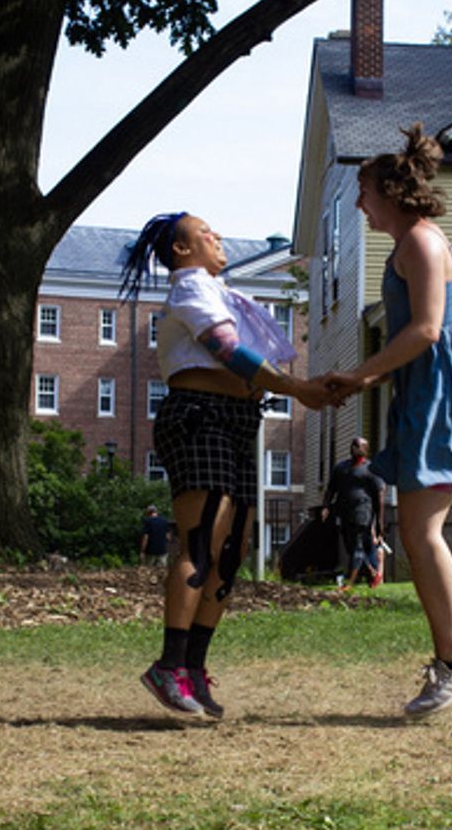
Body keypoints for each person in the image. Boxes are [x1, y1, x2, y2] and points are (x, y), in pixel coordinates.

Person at [121, 212, 329, 718]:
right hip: (199, 418)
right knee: (200, 542)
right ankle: (168, 665)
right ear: (181, 251)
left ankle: (193, 668)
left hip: (236, 421)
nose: (217, 237)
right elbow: (227, 351)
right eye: (205, 233)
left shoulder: (223, 292)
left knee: (231, 551)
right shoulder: (191, 289)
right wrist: (298, 389)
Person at [324, 123, 452, 718]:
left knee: (422, 534)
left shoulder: (420, 242)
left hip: (440, 388)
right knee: (418, 532)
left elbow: (425, 329)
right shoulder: (413, 242)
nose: (358, 204)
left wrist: (361, 376)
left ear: (392, 193)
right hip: (429, 386)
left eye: (364, 192)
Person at [322, 436, 386, 590]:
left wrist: (379, 523)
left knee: (357, 546)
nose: (357, 448)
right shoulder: (341, 468)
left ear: (366, 450)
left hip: (362, 513)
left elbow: (380, 496)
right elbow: (331, 489)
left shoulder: (371, 469)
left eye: (360, 446)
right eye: (355, 445)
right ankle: (373, 574)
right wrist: (326, 507)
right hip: (343, 513)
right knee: (351, 548)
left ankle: (349, 583)